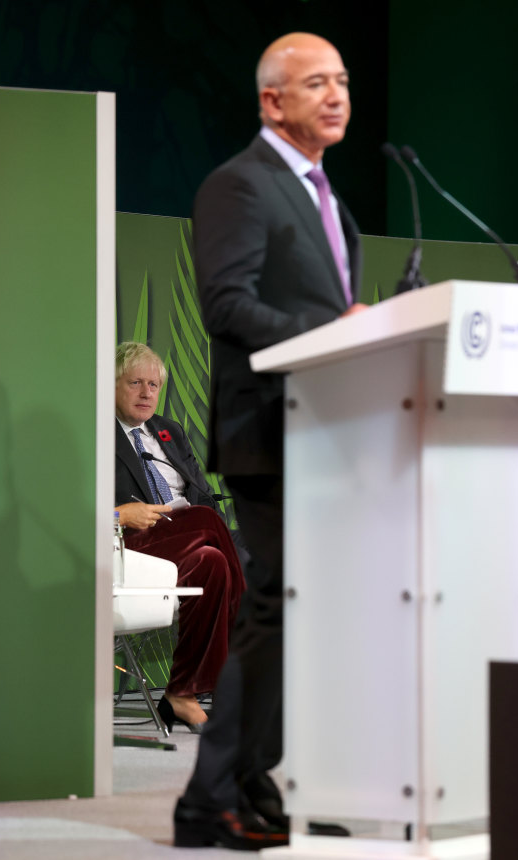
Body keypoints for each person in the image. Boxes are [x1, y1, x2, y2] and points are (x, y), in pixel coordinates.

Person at [174, 32, 368, 850]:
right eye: (315, 82)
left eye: (343, 81)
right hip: (269, 427)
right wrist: (339, 328)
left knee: (295, 615)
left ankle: (255, 786)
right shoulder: (240, 184)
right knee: (270, 610)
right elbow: (227, 306)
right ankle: (205, 799)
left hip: (327, 425)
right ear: (271, 101)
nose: (336, 95)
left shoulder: (327, 195)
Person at [115, 341, 246, 732]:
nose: (146, 393)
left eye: (153, 385)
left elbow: (201, 493)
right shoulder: (95, 432)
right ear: (112, 385)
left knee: (216, 562)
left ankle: (182, 693)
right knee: (209, 523)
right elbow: (70, 503)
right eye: (135, 382)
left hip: (186, 536)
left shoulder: (168, 432)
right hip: (131, 543)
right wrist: (119, 514)